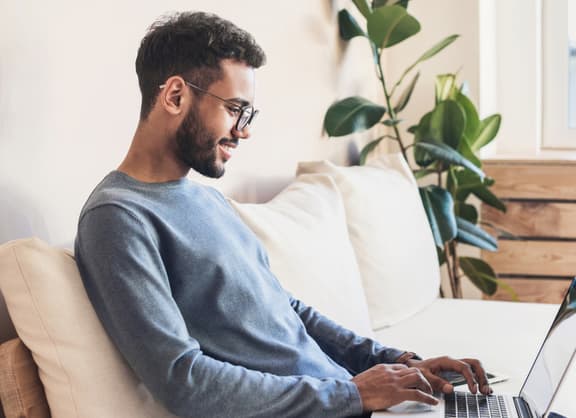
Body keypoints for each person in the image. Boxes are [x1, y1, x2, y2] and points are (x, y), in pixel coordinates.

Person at [74, 11, 491, 418]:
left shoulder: (208, 200)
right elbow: (184, 380)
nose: (245, 130)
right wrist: (351, 394)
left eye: (248, 113)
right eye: (235, 108)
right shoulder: (117, 217)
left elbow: (286, 308)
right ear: (176, 96)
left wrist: (398, 361)